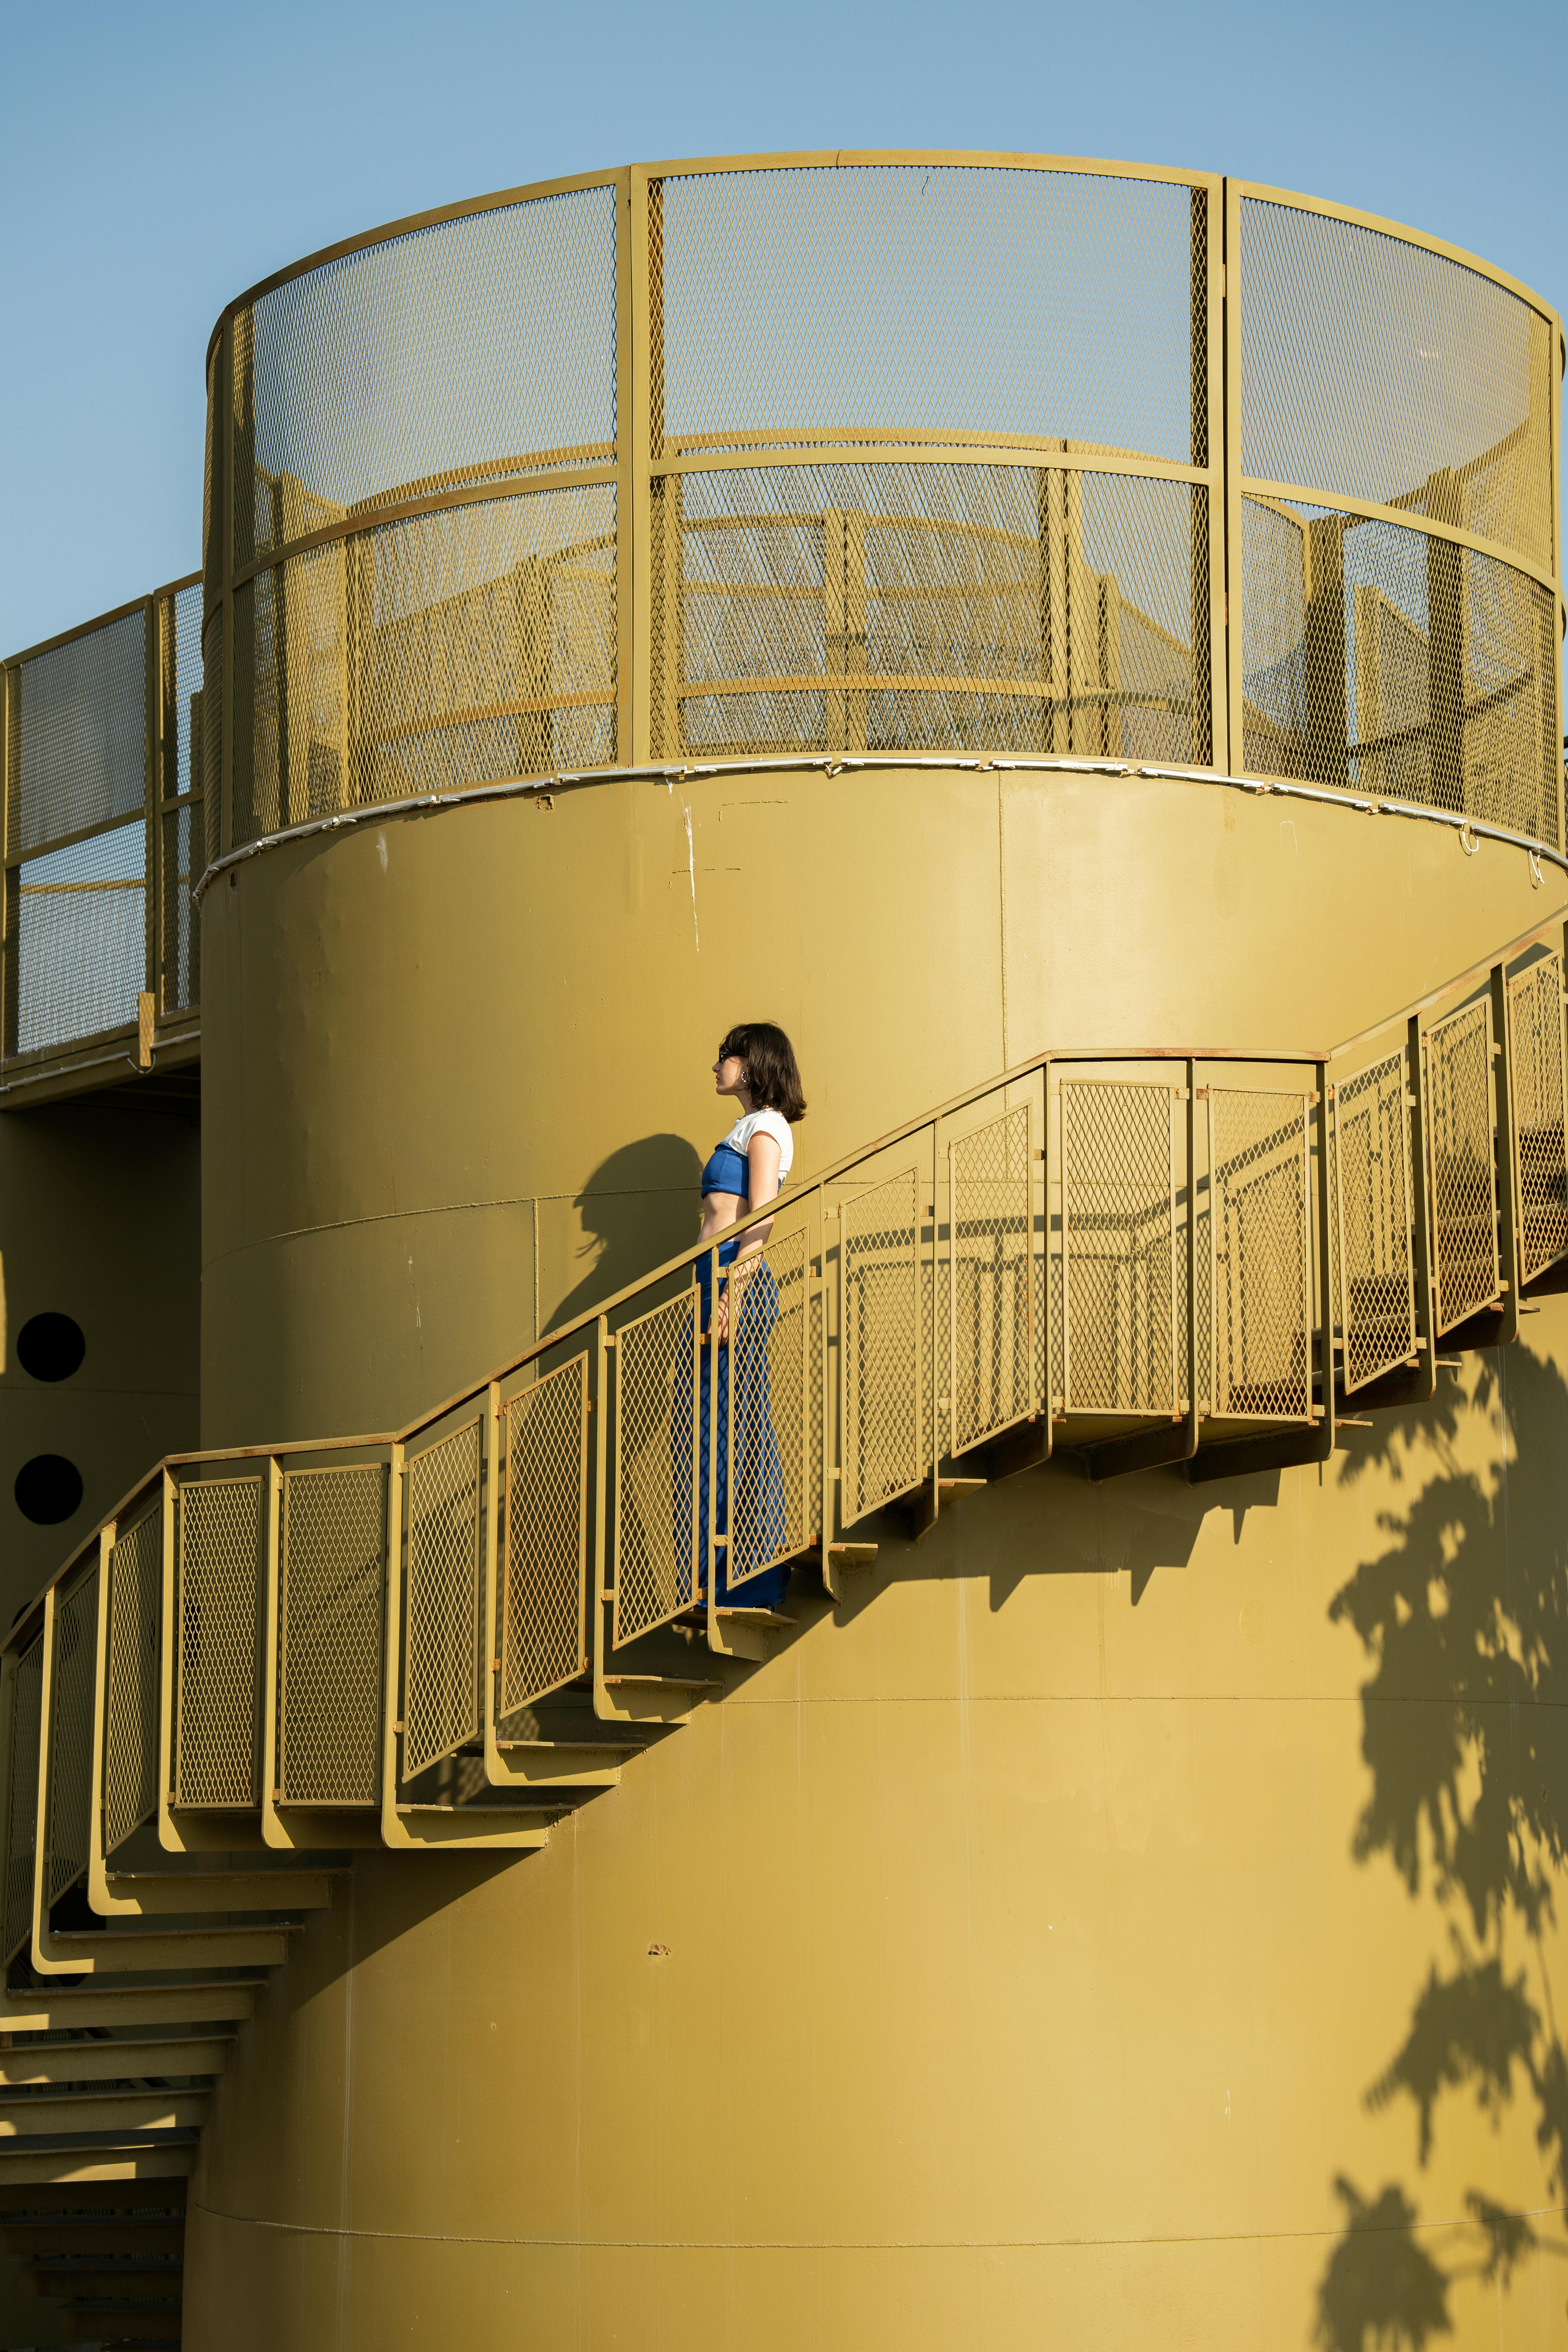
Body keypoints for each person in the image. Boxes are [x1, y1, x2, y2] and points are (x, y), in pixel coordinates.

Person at [676, 1023, 807, 1612]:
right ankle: (708, 1581)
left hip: (735, 1283)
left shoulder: (766, 1127)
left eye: (724, 1055)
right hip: (713, 1284)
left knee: (738, 1428)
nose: (716, 1066)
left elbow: (760, 1220)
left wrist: (731, 1292)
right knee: (703, 1431)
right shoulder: (742, 1126)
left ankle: (749, 1580)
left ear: (751, 1063)